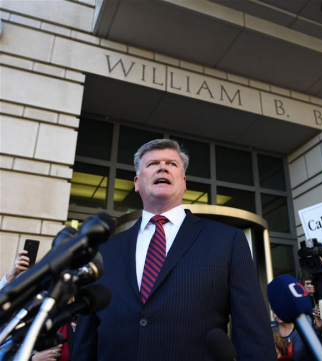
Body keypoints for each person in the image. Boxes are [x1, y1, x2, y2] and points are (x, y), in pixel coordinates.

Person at [72, 139, 276, 361]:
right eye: (152, 164)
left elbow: (253, 335)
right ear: (137, 183)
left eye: (172, 164)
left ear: (184, 182)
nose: (162, 167)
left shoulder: (228, 240)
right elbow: (86, 340)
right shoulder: (105, 250)